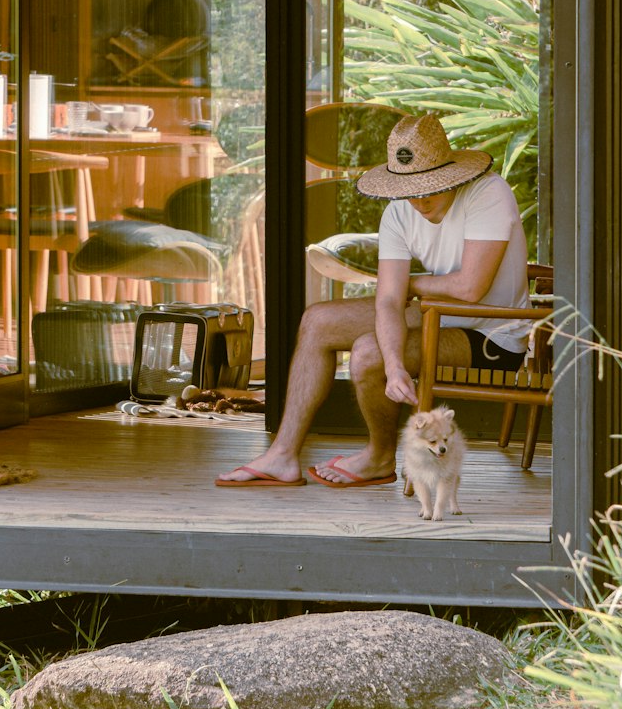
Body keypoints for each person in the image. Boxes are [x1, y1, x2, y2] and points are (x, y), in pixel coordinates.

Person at [215, 112, 532, 488]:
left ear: (450, 175)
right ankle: (282, 455)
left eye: (428, 186)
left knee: (368, 352)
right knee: (318, 321)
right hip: (436, 316)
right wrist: (396, 366)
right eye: (410, 189)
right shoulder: (398, 212)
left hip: (492, 335)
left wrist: (410, 285)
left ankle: (380, 456)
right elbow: (387, 301)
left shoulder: (488, 193)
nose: (420, 199)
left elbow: (469, 289)